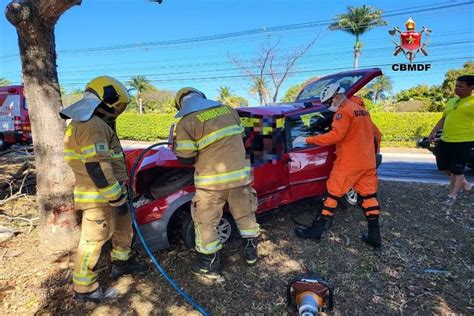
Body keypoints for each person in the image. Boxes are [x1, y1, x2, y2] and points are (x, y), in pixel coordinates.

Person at [60, 76, 146, 302]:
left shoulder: (92, 123)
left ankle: (121, 263)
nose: (119, 111)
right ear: (108, 99)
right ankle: (85, 289)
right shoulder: (92, 125)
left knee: (122, 230)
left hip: (111, 193)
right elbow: (97, 167)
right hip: (100, 198)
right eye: (119, 106)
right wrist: (116, 197)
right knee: (92, 242)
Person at [173, 87, 260, 279]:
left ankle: (209, 265)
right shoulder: (229, 110)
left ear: (181, 104)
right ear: (202, 97)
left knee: (206, 222)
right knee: (245, 214)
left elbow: (185, 160)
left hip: (211, 183)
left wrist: (175, 144)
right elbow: (242, 138)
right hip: (240, 177)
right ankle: (251, 254)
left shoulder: (186, 122)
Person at [292, 83, 383, 248]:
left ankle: (315, 232)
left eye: (328, 102)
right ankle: (374, 237)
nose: (328, 106)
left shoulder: (343, 112)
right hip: (367, 163)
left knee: (331, 197)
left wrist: (306, 140)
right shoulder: (362, 110)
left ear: (336, 96)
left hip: (348, 163)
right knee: (369, 198)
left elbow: (335, 136)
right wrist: (372, 153)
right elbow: (377, 134)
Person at [428, 75, 474, 206]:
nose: (457, 88)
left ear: (471, 88)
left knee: (457, 169)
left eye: (461, 86)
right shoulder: (451, 101)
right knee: (443, 165)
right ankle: (465, 184)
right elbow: (443, 119)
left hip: (465, 140)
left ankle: (451, 196)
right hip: (445, 139)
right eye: (456, 86)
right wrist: (432, 134)